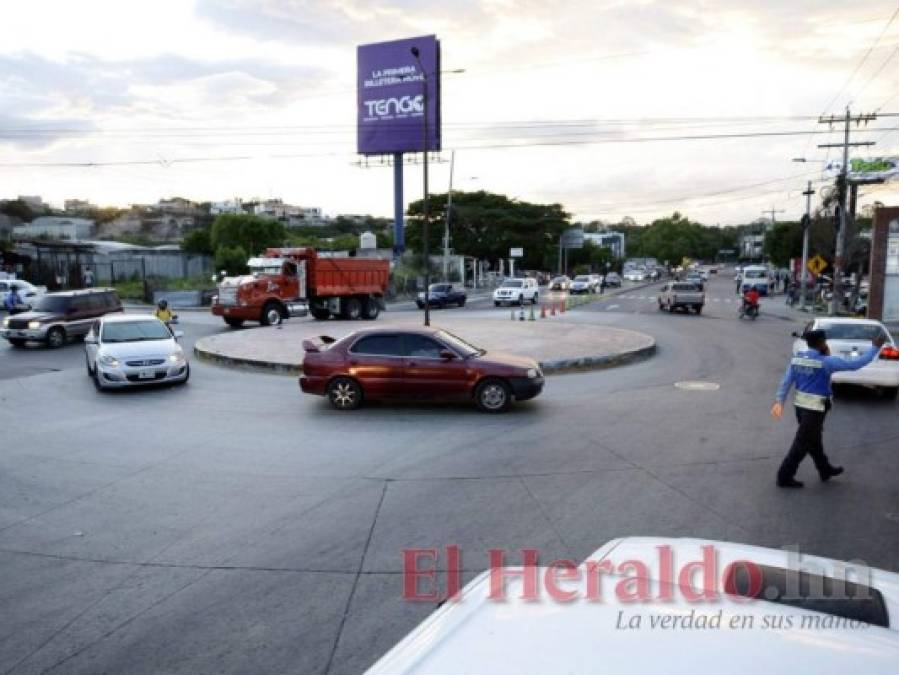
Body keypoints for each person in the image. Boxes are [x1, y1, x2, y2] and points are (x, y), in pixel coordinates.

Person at [771, 328, 886, 487]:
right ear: (821, 343)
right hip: (815, 409)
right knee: (802, 443)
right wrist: (874, 348)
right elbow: (855, 364)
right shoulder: (826, 362)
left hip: (800, 408)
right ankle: (784, 476)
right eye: (824, 341)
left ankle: (824, 469)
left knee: (814, 441)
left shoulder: (797, 359)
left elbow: (785, 382)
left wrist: (779, 402)